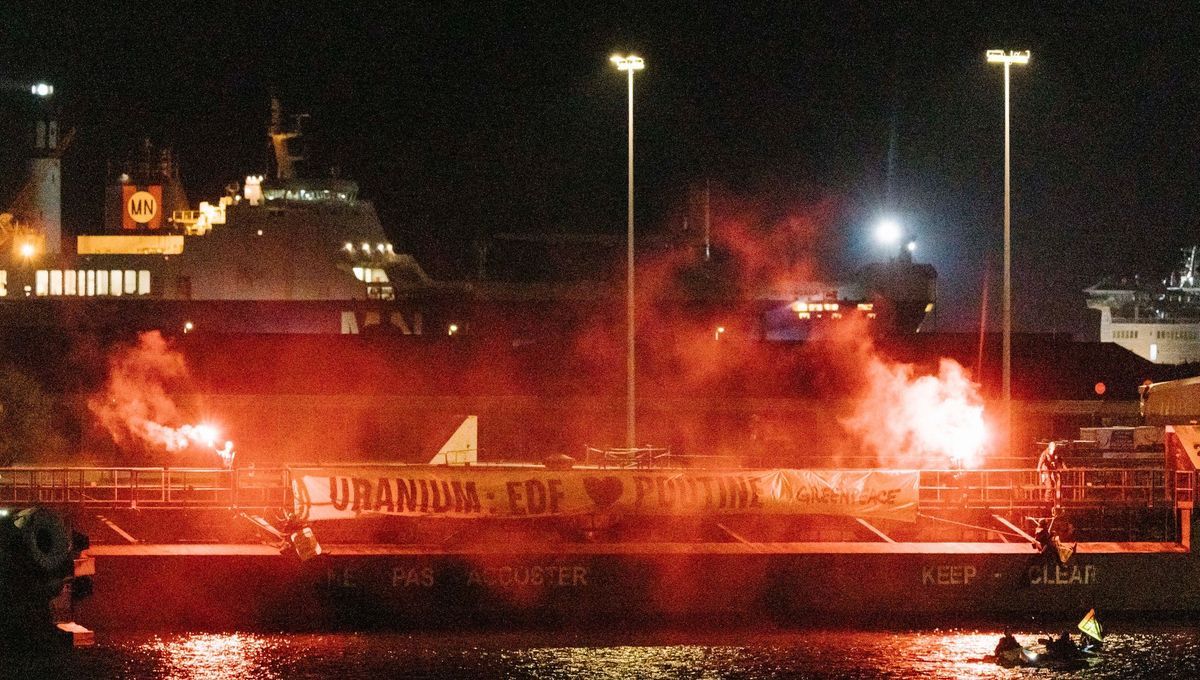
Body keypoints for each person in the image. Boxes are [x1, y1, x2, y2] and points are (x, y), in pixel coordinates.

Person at [1037, 441, 1065, 506]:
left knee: (1055, 484)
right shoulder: (1045, 453)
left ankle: (1053, 498)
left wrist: (1064, 468)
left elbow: (1060, 460)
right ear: (1050, 447)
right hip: (1045, 470)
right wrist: (1039, 468)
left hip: (1051, 470)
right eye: (1053, 447)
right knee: (1049, 486)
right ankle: (1047, 500)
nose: (1054, 448)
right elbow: (1041, 460)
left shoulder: (1055, 453)